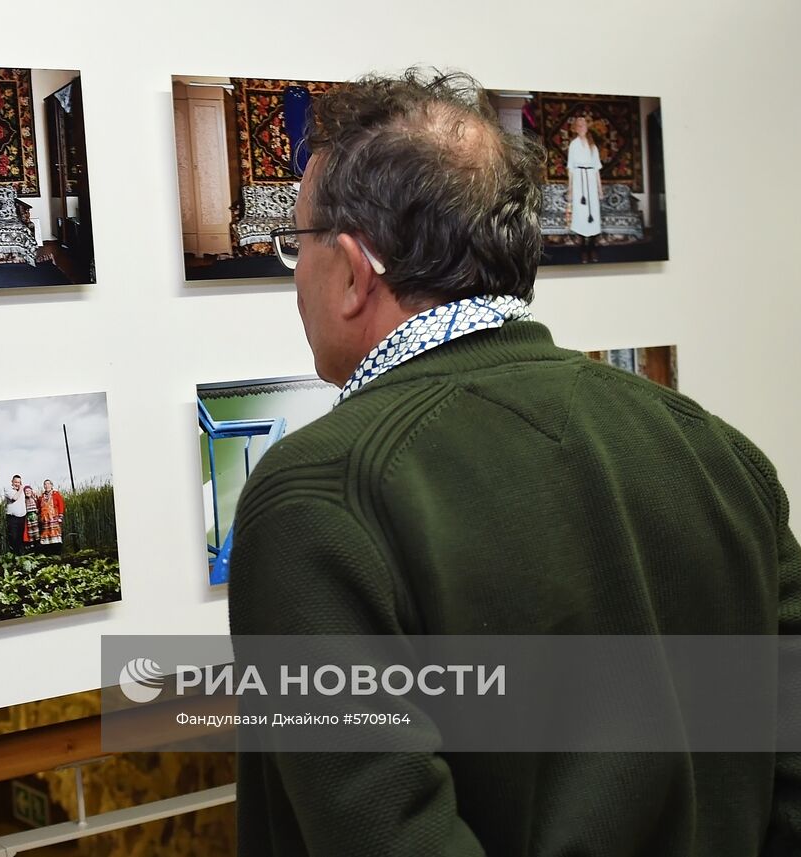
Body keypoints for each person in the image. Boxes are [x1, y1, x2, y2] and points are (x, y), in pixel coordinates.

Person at [227, 69, 800, 856]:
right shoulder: (718, 453)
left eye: (298, 245)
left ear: (356, 270)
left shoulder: (318, 496)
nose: (295, 279)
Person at [566, 115, 604, 262]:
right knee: (581, 214)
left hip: (591, 183)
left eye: (584, 124)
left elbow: (596, 169)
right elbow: (570, 169)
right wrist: (570, 190)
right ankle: (583, 249)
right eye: (579, 125)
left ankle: (592, 248)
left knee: (593, 213)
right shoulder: (573, 145)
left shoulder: (593, 146)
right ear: (575, 128)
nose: (581, 127)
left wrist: (600, 190)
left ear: (587, 127)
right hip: (579, 185)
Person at [36, 479, 66, 556]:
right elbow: (39, 506)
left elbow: (61, 505)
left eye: (48, 484)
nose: (46, 486)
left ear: (51, 485)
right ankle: (48, 555)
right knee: (46, 537)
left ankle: (57, 554)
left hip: (54, 519)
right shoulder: (42, 496)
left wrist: (60, 516)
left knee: (55, 536)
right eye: (45, 484)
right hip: (45, 520)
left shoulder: (56, 494)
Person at [3, 474, 27, 554]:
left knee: (21, 538)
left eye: (19, 482)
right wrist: (21, 489)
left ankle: (21, 555)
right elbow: (14, 498)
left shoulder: (22, 491)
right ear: (12, 482)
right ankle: (14, 555)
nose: (17, 484)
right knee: (13, 538)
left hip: (22, 517)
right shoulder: (8, 489)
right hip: (12, 518)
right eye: (16, 482)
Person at [22, 485, 41, 551]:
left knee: (37, 532)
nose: (27, 492)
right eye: (26, 491)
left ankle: (38, 547)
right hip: (28, 518)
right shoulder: (24, 500)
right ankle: (32, 547)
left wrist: (38, 510)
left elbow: (40, 504)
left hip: (35, 517)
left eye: (29, 490)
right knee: (30, 533)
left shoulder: (35, 498)